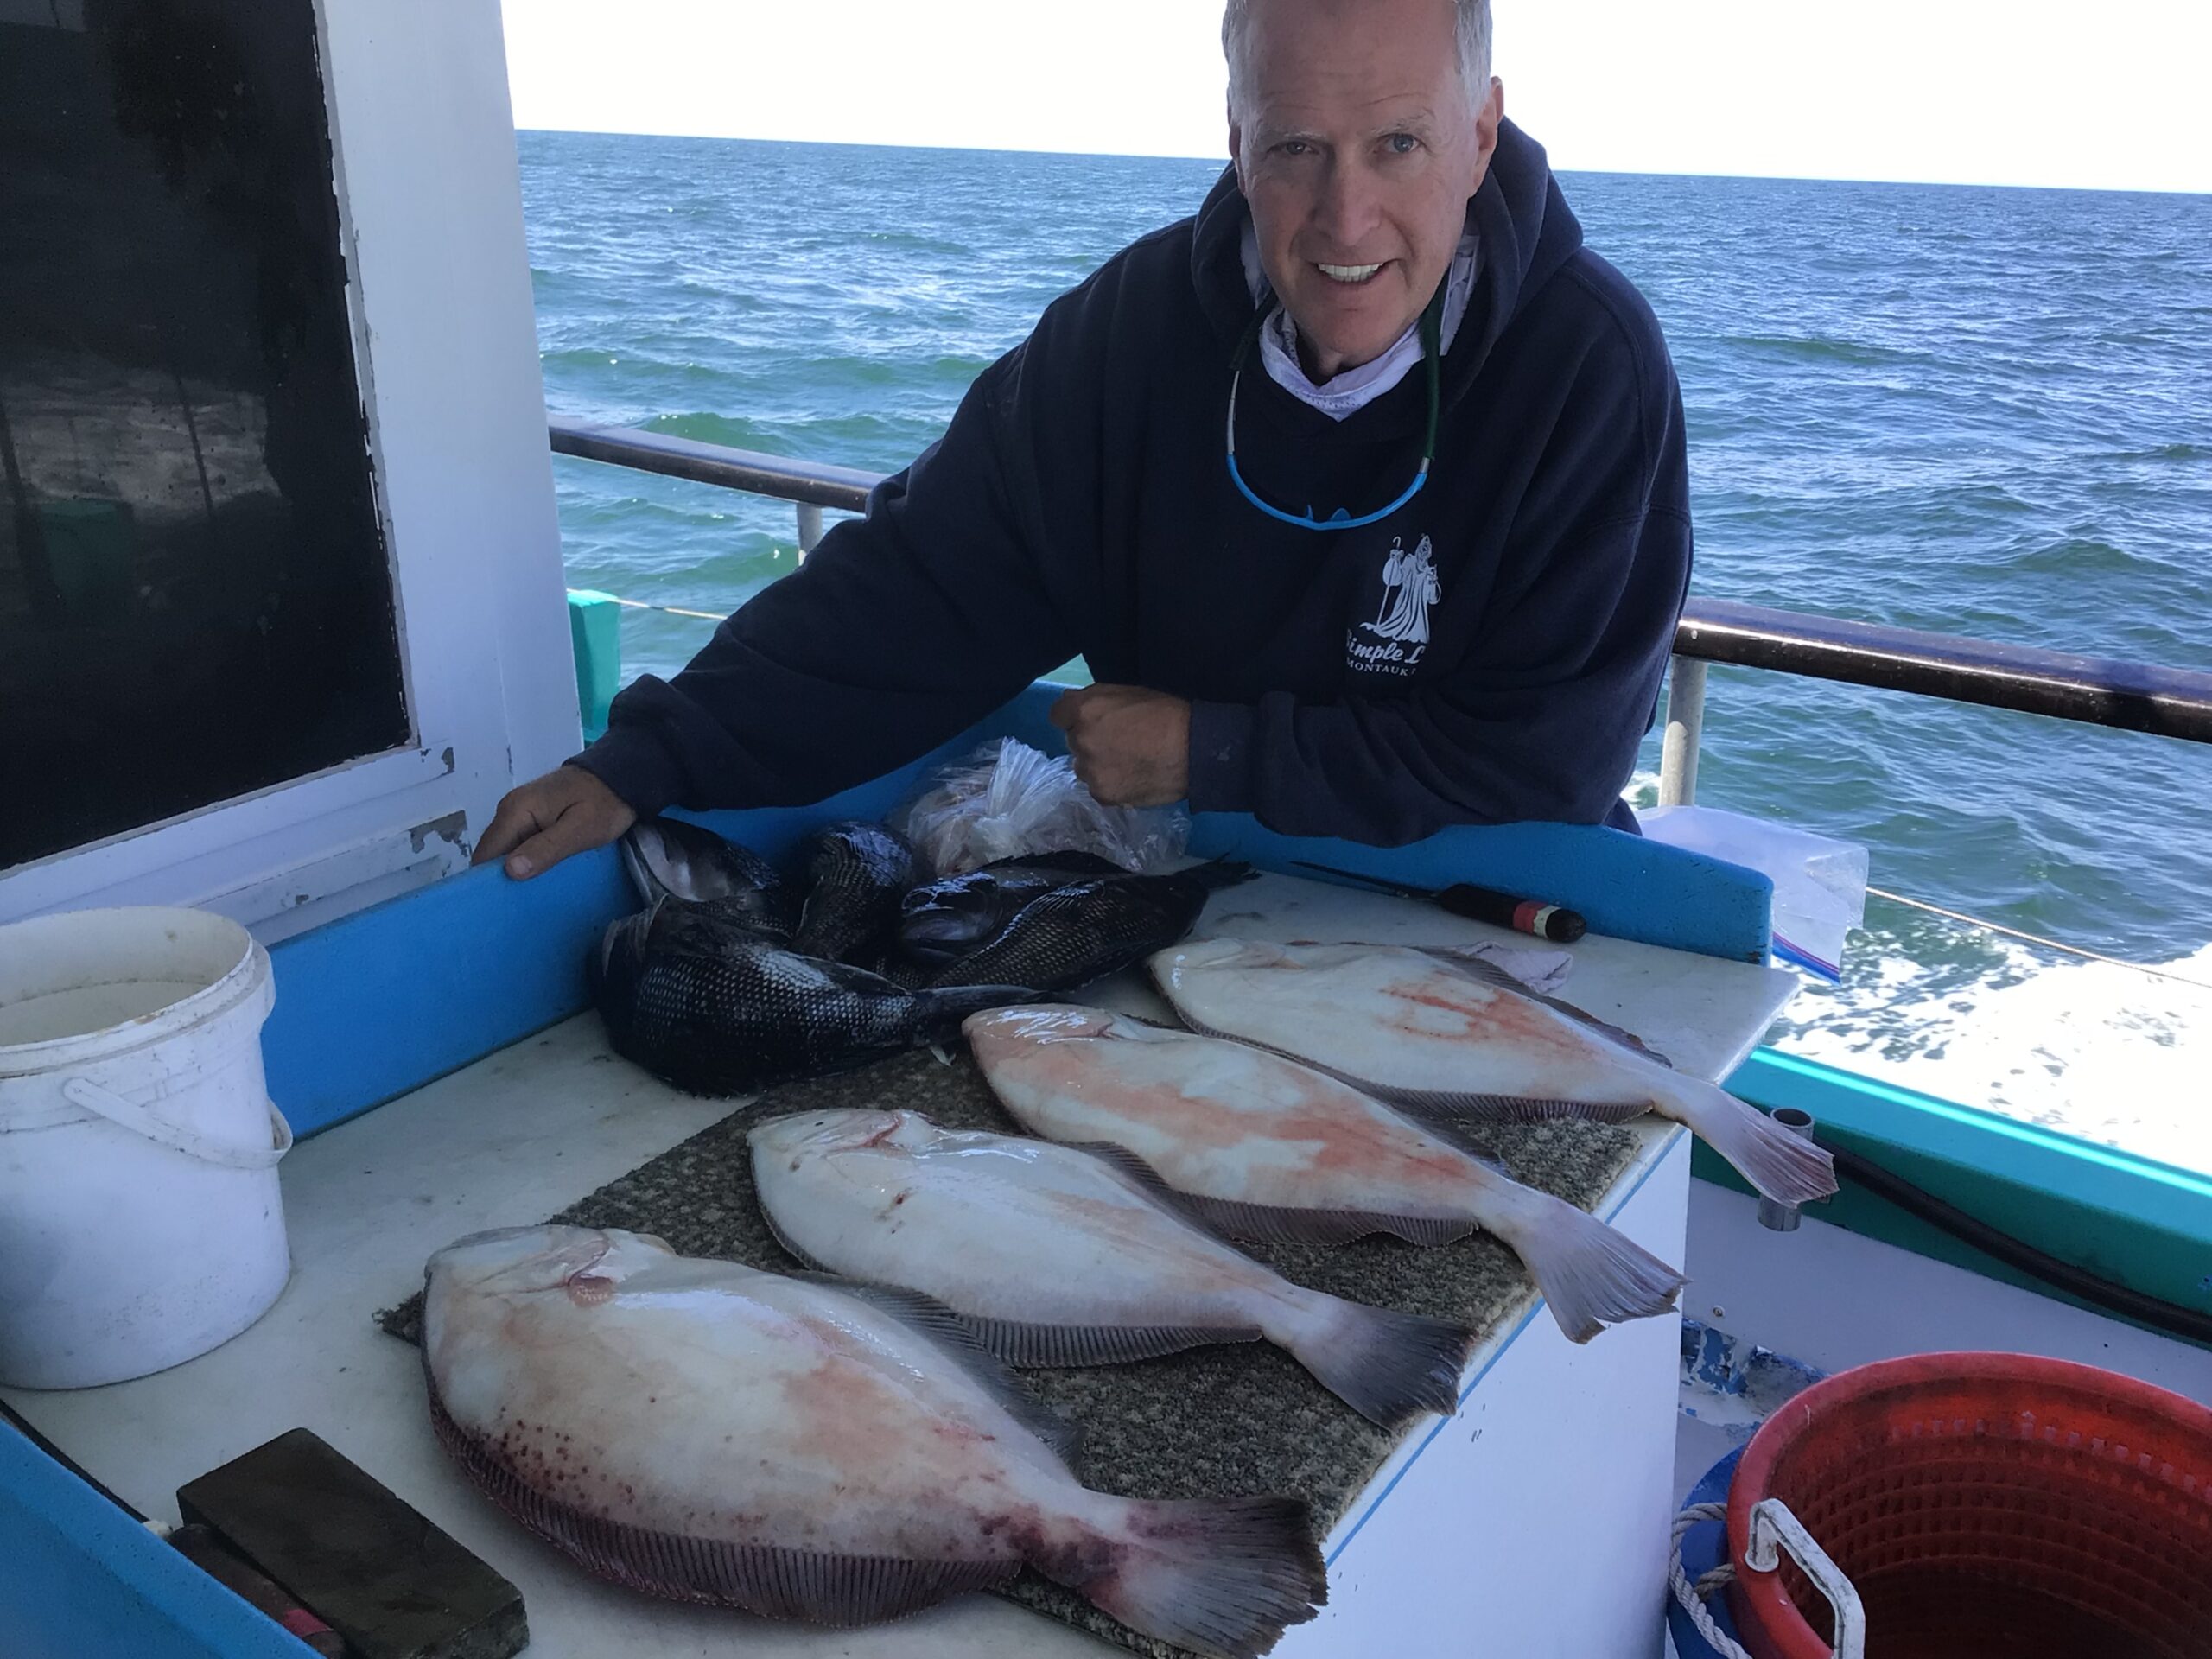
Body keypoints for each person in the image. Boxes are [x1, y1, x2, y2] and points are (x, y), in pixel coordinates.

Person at [476, 0, 1691, 880]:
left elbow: (1545, 769)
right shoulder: (1132, 335)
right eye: (1295, 149)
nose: (1345, 216)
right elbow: (915, 593)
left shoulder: (1589, 371)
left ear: (1481, 135)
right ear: (1236, 139)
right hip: (1175, 890)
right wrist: (645, 758)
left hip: (1488, 913)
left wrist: (1213, 753)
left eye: (1399, 145)